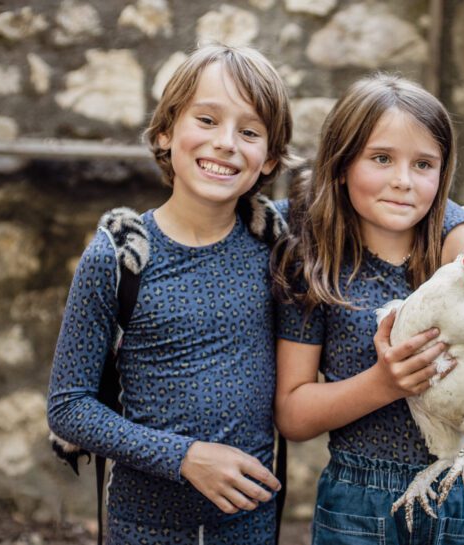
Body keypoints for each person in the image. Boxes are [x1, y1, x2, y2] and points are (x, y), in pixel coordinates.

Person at [271, 74, 464, 544]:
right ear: (342, 164)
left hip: (459, 491)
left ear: (443, 173)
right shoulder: (316, 260)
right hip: (357, 501)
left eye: (424, 164)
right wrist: (383, 384)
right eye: (381, 159)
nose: (403, 181)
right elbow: (293, 413)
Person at [47, 44, 293, 545]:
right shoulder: (115, 258)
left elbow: (375, 194)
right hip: (144, 527)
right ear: (165, 132)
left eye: (249, 132)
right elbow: (68, 407)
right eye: (206, 119)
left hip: (251, 527)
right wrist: (184, 458)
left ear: (269, 159)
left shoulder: (277, 248)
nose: (226, 143)